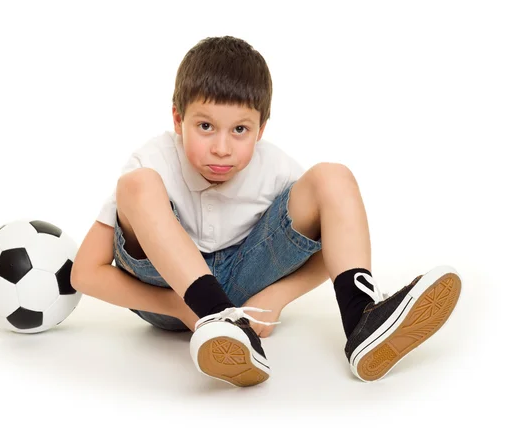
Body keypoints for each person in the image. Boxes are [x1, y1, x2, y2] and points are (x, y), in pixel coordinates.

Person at [70, 35, 462, 388]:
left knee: (332, 177)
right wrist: (179, 306)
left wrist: (278, 295)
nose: (222, 147)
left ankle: (363, 320)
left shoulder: (275, 169)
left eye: (239, 130)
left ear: (260, 128)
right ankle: (219, 317)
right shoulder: (152, 160)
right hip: (166, 291)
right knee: (136, 186)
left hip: (245, 280)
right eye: (205, 126)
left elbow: (330, 243)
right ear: (178, 119)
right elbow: (85, 272)